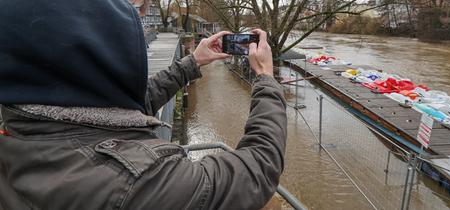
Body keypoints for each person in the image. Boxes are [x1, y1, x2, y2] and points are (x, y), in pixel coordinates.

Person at [0, 0, 287, 210]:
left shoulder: (23, 130)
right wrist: (264, 77)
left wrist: (193, 62)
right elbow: (258, 168)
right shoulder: (138, 183)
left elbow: (121, 114)